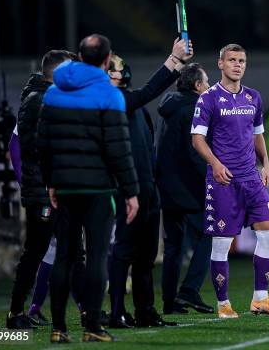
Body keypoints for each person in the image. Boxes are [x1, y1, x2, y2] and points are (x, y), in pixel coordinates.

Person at [38, 34, 139, 343]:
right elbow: (118, 149)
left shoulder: (53, 91)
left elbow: (42, 144)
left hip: (65, 188)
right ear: (107, 60)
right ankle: (93, 326)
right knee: (96, 257)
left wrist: (51, 181)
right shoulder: (110, 95)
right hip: (98, 189)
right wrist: (131, 190)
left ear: (79, 56)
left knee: (65, 257)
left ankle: (58, 329)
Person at [107, 40, 192, 329]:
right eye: (112, 67)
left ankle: (145, 311)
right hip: (127, 188)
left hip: (148, 188)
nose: (117, 71)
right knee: (123, 251)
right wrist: (174, 61)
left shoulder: (136, 107)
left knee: (144, 256)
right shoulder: (111, 100)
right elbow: (147, 92)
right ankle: (117, 310)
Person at [191, 44, 269, 319]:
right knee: (221, 244)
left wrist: (265, 163)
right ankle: (223, 304)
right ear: (220, 64)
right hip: (224, 181)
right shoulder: (208, 98)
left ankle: (260, 299)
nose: (237, 65)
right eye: (232, 60)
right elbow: (197, 139)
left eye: (241, 60)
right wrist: (215, 164)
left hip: (251, 178)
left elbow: (258, 134)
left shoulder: (253, 97)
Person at [6, 50, 78, 329]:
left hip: (60, 189)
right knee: (36, 250)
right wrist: (34, 184)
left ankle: (85, 311)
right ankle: (17, 312)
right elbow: (27, 147)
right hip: (45, 191)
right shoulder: (39, 100)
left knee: (73, 251)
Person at [156, 63, 213, 315]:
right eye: (207, 82)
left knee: (174, 246)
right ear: (197, 86)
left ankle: (170, 301)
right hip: (187, 187)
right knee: (208, 235)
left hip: (167, 187)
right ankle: (189, 290)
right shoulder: (193, 109)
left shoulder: (168, 107)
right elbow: (194, 153)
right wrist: (213, 176)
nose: (210, 87)